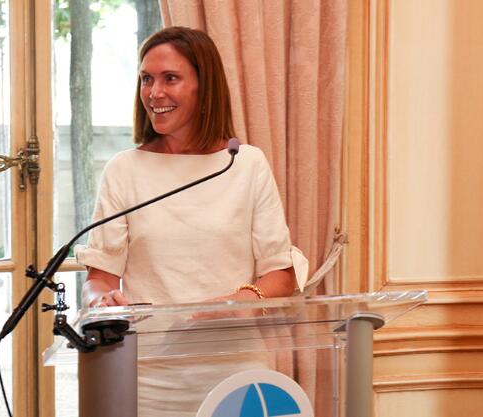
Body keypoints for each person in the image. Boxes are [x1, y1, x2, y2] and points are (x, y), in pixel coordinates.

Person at [75, 26, 308, 416]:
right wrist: (102, 301)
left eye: (170, 78)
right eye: (146, 79)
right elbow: (99, 279)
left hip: (237, 380)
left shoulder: (245, 164)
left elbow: (281, 275)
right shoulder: (123, 169)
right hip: (148, 381)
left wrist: (236, 302)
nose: (154, 93)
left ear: (205, 87)